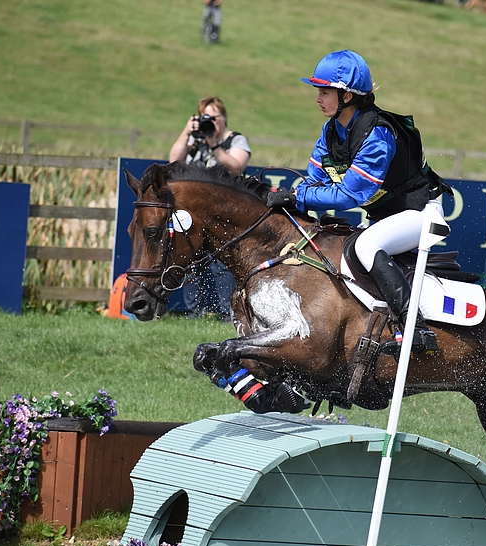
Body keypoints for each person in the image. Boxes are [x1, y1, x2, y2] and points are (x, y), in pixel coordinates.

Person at [265, 50, 450, 356]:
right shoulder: (330, 131)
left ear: (347, 96)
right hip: (381, 218)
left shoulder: (377, 134)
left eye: (324, 91)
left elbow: (351, 196)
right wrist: (288, 195)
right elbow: (314, 182)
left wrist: (297, 195)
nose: (317, 98)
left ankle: (416, 328)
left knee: (365, 247)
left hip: (418, 213)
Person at [169, 96, 251, 320]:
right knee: (191, 261)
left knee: (223, 264)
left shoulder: (235, 139)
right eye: (206, 117)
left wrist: (214, 143)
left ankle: (228, 312)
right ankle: (194, 312)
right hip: (197, 213)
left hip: (225, 213)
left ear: (223, 119)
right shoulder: (195, 140)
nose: (210, 123)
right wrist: (187, 132)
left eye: (214, 118)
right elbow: (173, 160)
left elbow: (234, 167)